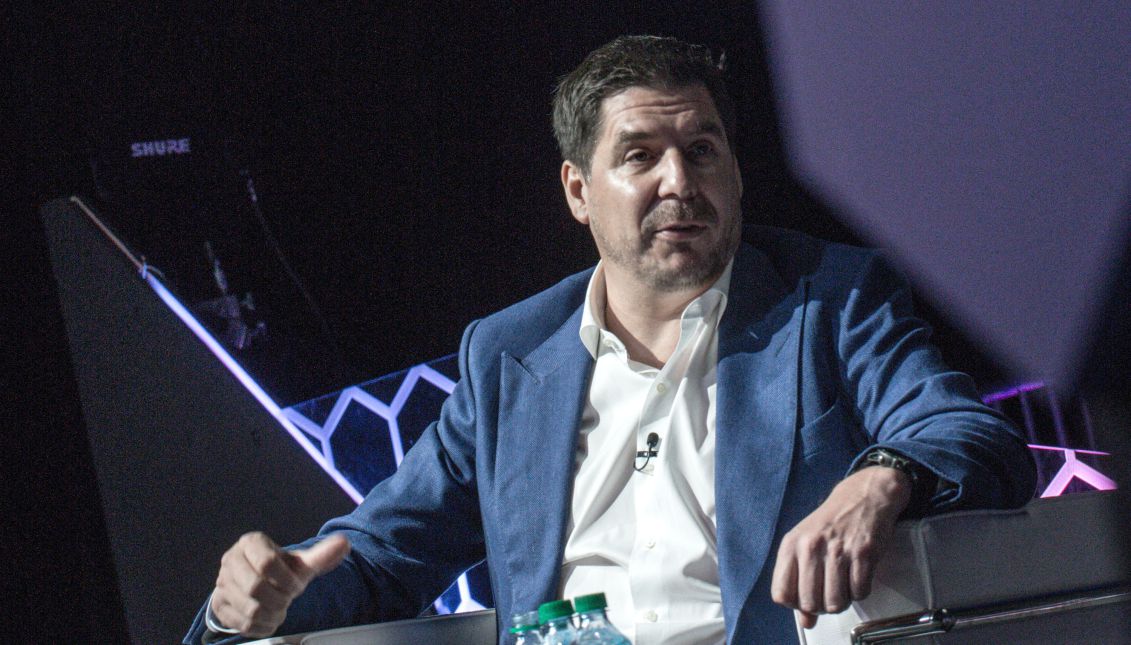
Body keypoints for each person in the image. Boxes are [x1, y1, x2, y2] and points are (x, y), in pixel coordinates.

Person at [185, 35, 1035, 644]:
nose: (679, 180)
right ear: (578, 190)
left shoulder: (832, 300)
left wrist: (879, 478)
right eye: (640, 155)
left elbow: (969, 437)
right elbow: (379, 559)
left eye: (702, 150)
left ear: (735, 174)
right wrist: (250, 604)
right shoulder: (508, 357)